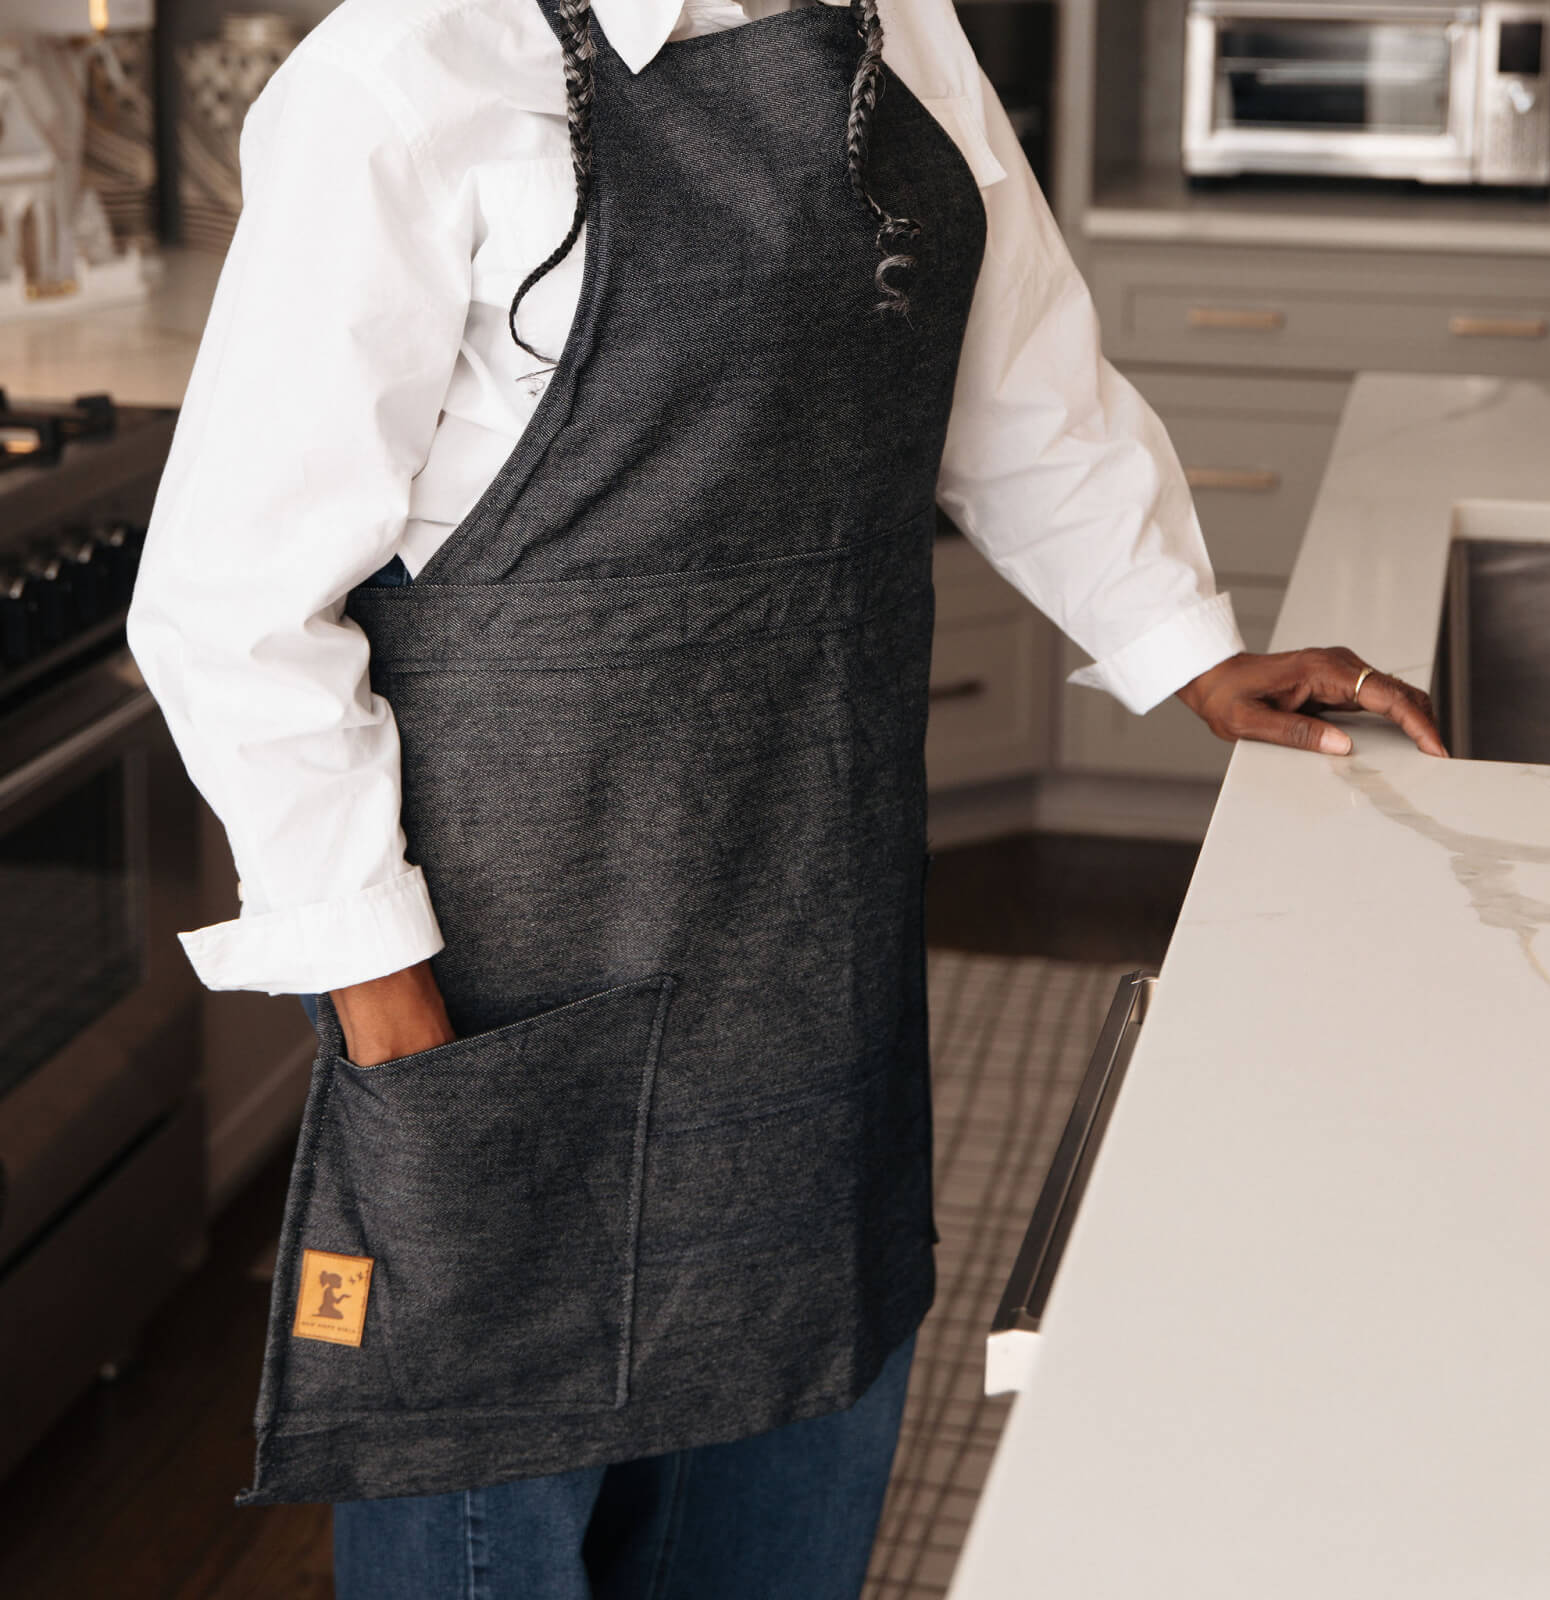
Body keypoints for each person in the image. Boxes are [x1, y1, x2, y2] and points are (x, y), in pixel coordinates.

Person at [126, 1, 1447, 1595]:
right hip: (514, 978)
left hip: (812, 937)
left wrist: (1182, 647)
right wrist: (384, 996)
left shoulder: (903, 38)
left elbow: (1020, 385)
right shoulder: (406, 73)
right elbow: (232, 606)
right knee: (499, 1522)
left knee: (788, 1476)